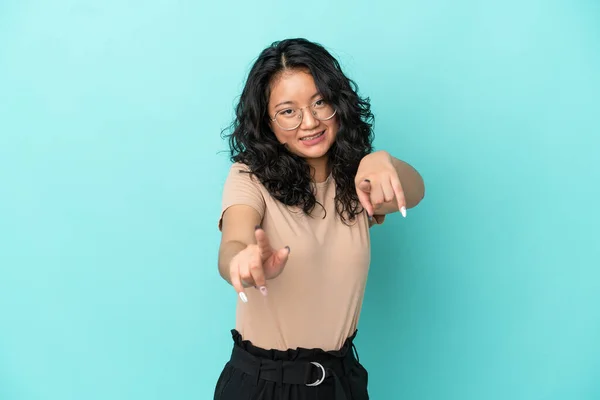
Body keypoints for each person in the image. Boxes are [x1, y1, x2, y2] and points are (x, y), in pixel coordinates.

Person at [214, 38, 425, 400]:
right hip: (262, 387)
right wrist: (243, 259)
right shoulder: (248, 177)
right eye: (288, 111)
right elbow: (234, 239)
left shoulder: (358, 182)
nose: (309, 122)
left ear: (338, 102)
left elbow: (415, 191)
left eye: (320, 102)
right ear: (267, 121)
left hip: (341, 383)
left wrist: (382, 161)